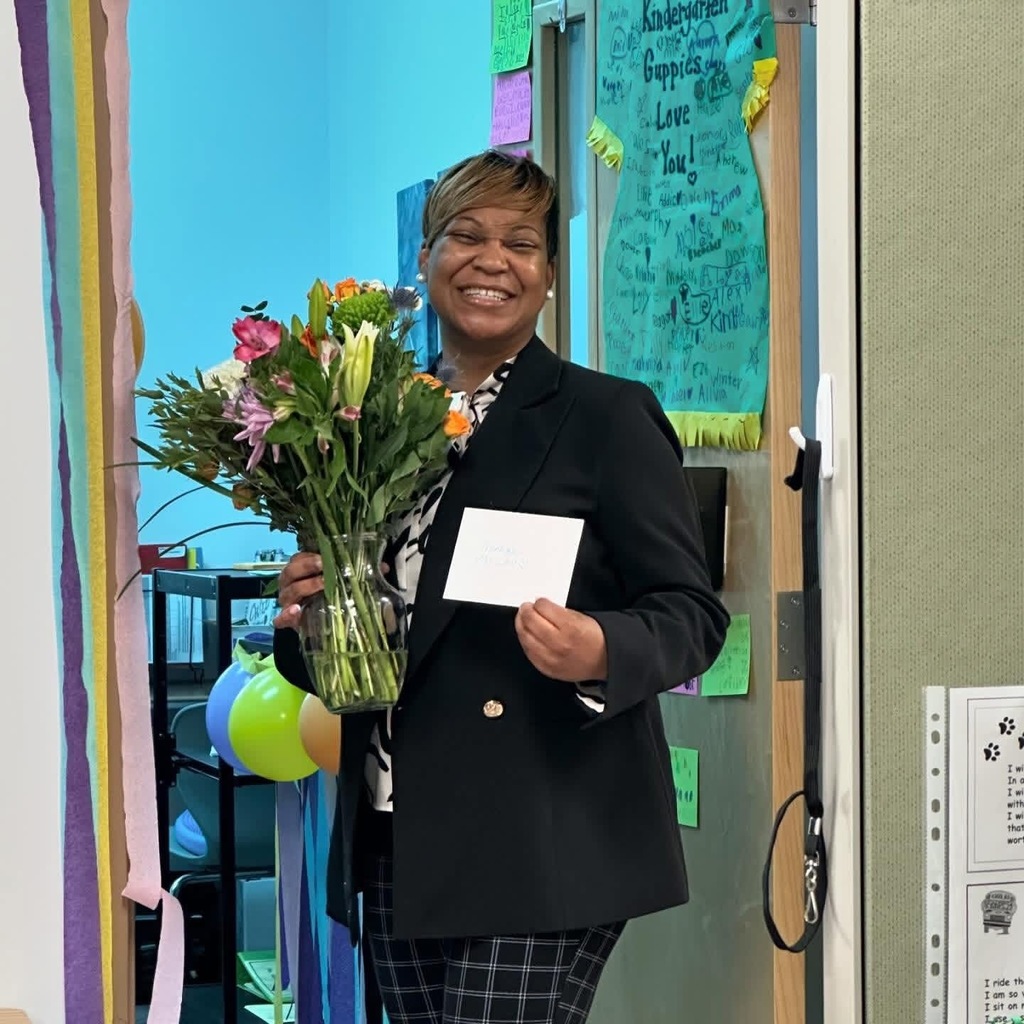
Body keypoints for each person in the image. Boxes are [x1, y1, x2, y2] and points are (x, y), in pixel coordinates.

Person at [272, 150, 729, 1024]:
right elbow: (348, 655)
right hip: (393, 830)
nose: (492, 260)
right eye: (466, 236)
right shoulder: (363, 416)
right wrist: (305, 618)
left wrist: (601, 648)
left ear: (551, 275)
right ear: (424, 258)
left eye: (522, 243)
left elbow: (690, 612)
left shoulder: (604, 416)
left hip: (539, 830)